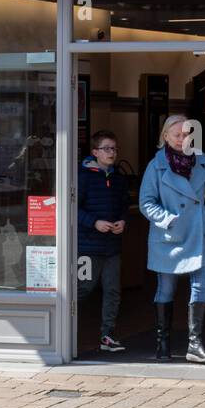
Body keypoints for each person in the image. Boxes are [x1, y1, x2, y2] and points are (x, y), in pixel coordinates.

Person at [139, 114, 205, 363]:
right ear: (165, 136)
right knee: (166, 288)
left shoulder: (203, 162)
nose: (181, 139)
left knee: (200, 287)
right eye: (177, 135)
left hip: (198, 233)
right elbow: (146, 202)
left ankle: (195, 345)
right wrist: (168, 220)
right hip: (169, 237)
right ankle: (162, 343)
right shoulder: (156, 166)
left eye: (186, 134)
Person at [77, 130, 128, 353]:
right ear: (95, 152)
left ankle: (107, 335)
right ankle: (67, 332)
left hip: (112, 246)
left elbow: (124, 206)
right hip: (88, 245)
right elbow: (71, 208)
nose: (112, 153)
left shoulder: (118, 178)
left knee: (112, 290)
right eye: (107, 148)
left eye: (114, 149)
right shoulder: (83, 176)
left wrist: (123, 221)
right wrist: (94, 222)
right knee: (83, 289)